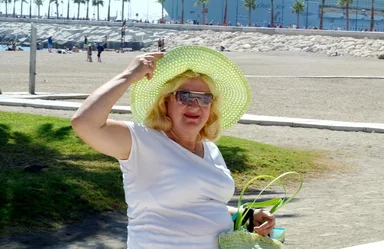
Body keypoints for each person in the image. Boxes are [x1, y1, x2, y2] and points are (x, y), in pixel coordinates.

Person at [70, 46, 275, 248]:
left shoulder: (210, 149)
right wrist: (129, 75)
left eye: (204, 99)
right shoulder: (141, 141)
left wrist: (249, 216)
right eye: (184, 96)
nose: (195, 105)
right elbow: (84, 123)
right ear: (165, 102)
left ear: (211, 107)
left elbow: (205, 204)